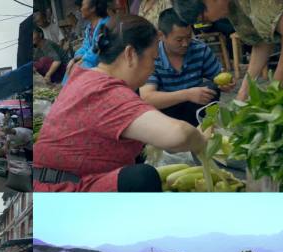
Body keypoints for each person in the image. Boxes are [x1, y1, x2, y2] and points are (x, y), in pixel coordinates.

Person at [33, 15, 211, 192]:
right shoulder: (106, 92)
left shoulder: (85, 77)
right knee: (142, 177)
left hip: (50, 180)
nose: (153, 68)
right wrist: (200, 139)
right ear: (130, 54)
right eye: (152, 59)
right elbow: (178, 135)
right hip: (63, 189)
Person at [139, 8, 234, 127]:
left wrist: (226, 84)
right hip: (166, 115)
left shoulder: (200, 49)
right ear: (161, 35)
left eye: (188, 37)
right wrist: (186, 94)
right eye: (179, 40)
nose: (185, 43)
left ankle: (202, 126)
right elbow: (147, 98)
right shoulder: (152, 56)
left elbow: (218, 76)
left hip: (195, 110)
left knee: (211, 88)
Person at [64, 0, 111, 81]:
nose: (80, 9)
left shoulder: (106, 24)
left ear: (92, 8)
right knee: (73, 67)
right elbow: (85, 47)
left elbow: (96, 51)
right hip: (91, 62)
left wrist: (81, 61)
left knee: (78, 70)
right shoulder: (89, 27)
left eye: (82, 6)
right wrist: (75, 59)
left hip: (104, 65)